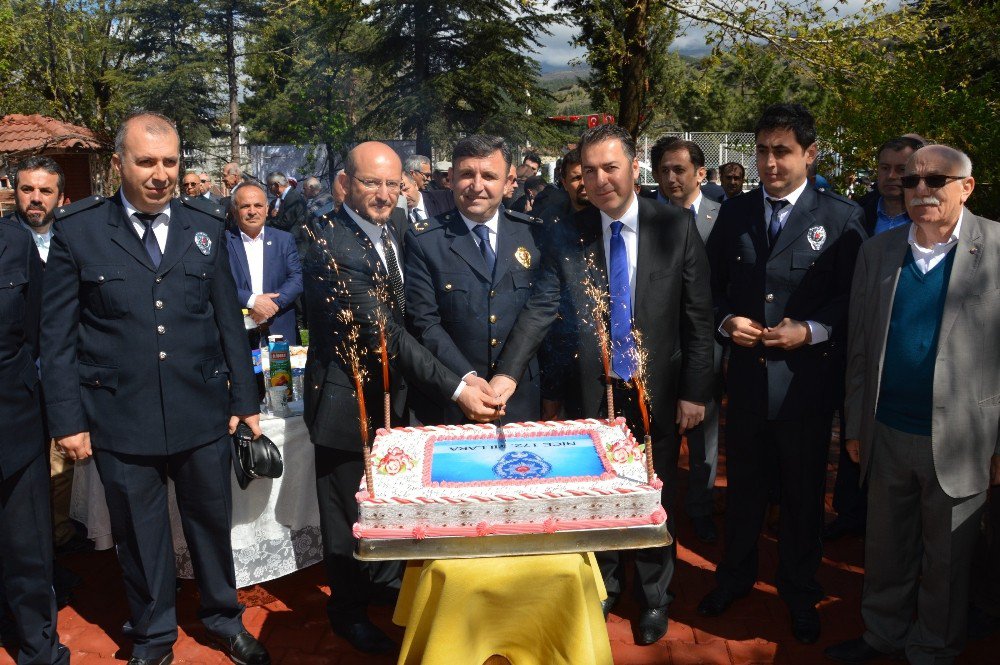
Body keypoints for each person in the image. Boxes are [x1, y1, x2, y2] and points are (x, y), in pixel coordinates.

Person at [40, 111, 269, 665]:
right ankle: (152, 634)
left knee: (211, 525)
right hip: (121, 415)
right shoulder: (79, 231)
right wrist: (68, 421)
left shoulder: (206, 227)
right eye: (146, 162)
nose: (161, 174)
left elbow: (226, 323)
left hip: (201, 410)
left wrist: (245, 401)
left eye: (170, 162)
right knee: (139, 538)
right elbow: (58, 337)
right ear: (119, 163)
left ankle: (222, 617)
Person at [489, 123, 715, 645]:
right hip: (593, 393)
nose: (599, 179)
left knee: (653, 492)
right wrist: (506, 372)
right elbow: (542, 307)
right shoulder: (568, 232)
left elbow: (699, 317)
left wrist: (694, 392)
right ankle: (607, 584)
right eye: (589, 170)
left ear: (632, 168)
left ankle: (656, 597)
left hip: (657, 393)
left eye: (610, 167)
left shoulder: (674, 225)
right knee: (598, 493)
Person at [302, 141, 503, 654]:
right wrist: (459, 387)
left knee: (388, 505)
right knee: (348, 516)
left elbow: (420, 319)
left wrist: (465, 372)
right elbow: (386, 333)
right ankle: (347, 611)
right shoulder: (330, 244)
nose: (384, 194)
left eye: (393, 184)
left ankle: (384, 587)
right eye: (372, 182)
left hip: (397, 402)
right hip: (349, 406)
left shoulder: (396, 231)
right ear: (345, 183)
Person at [825, 145, 1000, 665]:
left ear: (966, 187)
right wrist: (856, 423)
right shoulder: (878, 252)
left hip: (965, 437)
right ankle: (882, 634)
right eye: (911, 181)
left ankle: (931, 649)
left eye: (935, 180)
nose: (921, 190)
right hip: (887, 430)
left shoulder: (995, 247)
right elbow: (859, 346)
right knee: (886, 549)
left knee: (948, 561)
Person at [699, 103, 867, 644]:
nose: (770, 163)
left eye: (782, 152)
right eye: (763, 151)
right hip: (747, 382)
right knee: (744, 489)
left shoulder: (840, 218)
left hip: (804, 388)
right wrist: (727, 320)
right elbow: (711, 286)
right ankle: (735, 578)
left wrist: (813, 330)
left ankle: (798, 589)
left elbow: (853, 298)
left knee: (801, 496)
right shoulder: (737, 212)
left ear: (809, 154)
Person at [825, 135, 926, 544]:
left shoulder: (930, 218)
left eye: (901, 170)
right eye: (884, 167)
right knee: (854, 426)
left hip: (904, 341)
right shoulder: (855, 213)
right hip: (852, 339)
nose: (891, 177)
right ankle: (850, 512)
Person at [405, 135, 545, 425]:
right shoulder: (424, 240)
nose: (477, 186)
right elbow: (424, 321)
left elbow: (540, 313)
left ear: (508, 182)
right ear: (451, 178)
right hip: (451, 400)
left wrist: (508, 374)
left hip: (519, 397)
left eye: (489, 176)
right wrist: (466, 380)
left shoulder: (534, 236)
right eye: (467, 174)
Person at [0, 198, 69, 665]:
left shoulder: (14, 240)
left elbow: (41, 329)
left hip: (14, 420)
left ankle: (39, 649)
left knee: (27, 547)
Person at [647, 136, 724, 544]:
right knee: (658, 436)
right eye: (664, 170)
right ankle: (658, 509)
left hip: (704, 343)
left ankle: (701, 507)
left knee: (704, 437)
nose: (672, 177)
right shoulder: (645, 217)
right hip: (657, 347)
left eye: (680, 169)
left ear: (700, 174)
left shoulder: (721, 217)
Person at [226, 182, 303, 343]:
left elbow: (296, 279)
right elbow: (219, 282)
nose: (252, 211)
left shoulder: (284, 239)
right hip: (239, 330)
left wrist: (269, 306)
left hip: (279, 326)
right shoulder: (223, 242)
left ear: (267, 209)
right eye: (245, 206)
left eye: (258, 205)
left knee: (281, 369)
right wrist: (252, 301)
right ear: (234, 211)